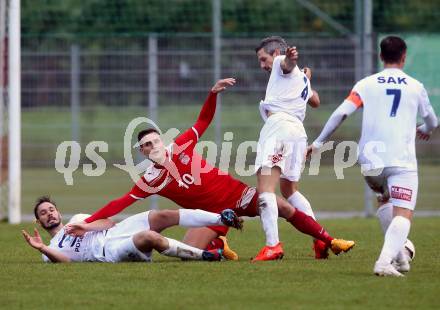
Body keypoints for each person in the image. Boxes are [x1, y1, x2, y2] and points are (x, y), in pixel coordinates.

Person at [82, 78, 354, 262]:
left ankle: (328, 239)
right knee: (192, 254)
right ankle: (218, 243)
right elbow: (118, 203)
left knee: (278, 205)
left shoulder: (181, 145)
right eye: (145, 145)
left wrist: (212, 94)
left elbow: (203, 119)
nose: (151, 145)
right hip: (212, 216)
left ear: (161, 140)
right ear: (142, 152)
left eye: (154, 140)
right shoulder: (149, 180)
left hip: (236, 196)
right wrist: (86, 222)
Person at [308, 36, 438, 276]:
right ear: (404, 57)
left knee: (385, 200)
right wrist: (425, 129)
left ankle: (400, 256)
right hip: (401, 160)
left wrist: (318, 143)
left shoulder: (366, 84)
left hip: (370, 161)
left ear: (380, 57)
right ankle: (384, 262)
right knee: (403, 213)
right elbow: (432, 120)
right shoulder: (415, 86)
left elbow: (341, 113)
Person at [253, 36, 323, 261]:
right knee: (289, 190)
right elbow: (316, 101)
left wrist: (290, 60)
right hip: (298, 133)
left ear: (274, 54)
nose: (262, 65)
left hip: (279, 128)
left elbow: (285, 63)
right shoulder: (300, 78)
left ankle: (272, 245)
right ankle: (319, 238)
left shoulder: (280, 63)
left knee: (266, 188)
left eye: (263, 58)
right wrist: (306, 78)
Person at [22, 196, 243, 263]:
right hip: (109, 251)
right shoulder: (50, 250)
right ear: (39, 223)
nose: (49, 213)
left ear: (58, 213)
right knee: (149, 237)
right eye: (43, 213)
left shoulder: (77, 219)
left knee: (160, 215)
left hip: (115, 232)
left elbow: (108, 223)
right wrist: (42, 248)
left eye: (51, 209)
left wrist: (86, 226)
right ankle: (205, 255)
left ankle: (221, 217)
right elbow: (66, 262)